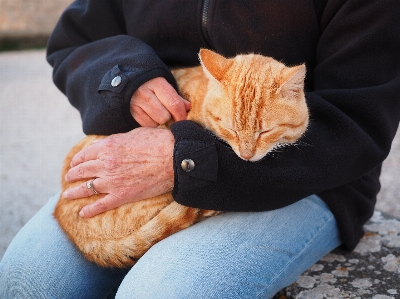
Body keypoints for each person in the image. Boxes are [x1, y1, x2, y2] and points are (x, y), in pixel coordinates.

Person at [1, 0, 399, 298]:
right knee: (26, 279)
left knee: (159, 293)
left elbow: (359, 120)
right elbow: (75, 40)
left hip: (305, 170)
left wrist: (187, 162)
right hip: (163, 133)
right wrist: (127, 78)